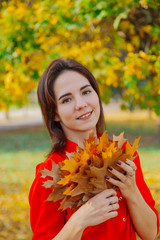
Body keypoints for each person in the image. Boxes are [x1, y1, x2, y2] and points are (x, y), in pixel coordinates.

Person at [29, 58, 159, 240]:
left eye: (86, 91)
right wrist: (79, 221)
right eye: (66, 99)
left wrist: (131, 191)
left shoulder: (124, 154)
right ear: (54, 113)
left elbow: (151, 233)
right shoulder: (49, 174)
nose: (81, 104)